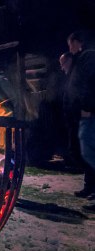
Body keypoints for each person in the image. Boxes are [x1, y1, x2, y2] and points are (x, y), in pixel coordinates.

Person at [66, 30, 95, 208]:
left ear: (77, 42)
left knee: (88, 152)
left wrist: (87, 107)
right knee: (86, 152)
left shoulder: (88, 57)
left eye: (70, 44)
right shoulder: (82, 58)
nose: (69, 48)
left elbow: (90, 84)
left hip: (89, 114)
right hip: (83, 114)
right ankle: (90, 187)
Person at [59, 52, 82, 170]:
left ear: (69, 61)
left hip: (77, 118)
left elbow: (76, 96)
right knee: (73, 144)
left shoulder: (77, 75)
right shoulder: (70, 76)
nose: (62, 68)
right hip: (71, 118)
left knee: (78, 145)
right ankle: (77, 166)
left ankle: (79, 167)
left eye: (63, 64)